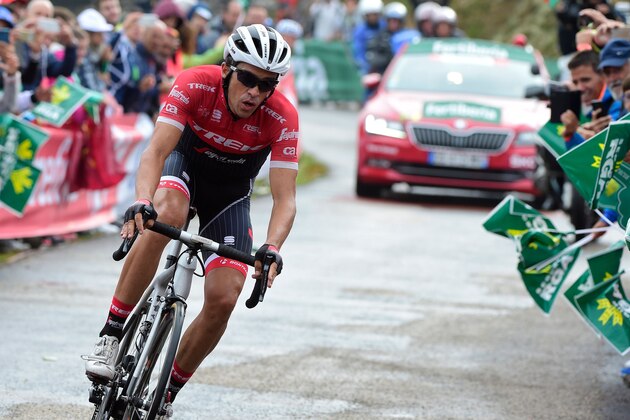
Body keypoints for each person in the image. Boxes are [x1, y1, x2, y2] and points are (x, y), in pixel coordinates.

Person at [84, 24, 298, 416]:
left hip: (229, 195)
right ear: (227, 69)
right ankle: (112, 333)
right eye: (248, 79)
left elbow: (285, 199)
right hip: (181, 170)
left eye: (267, 85)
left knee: (225, 297)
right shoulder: (194, 84)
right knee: (168, 213)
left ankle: (165, 392)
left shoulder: (282, 117)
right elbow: (154, 152)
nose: (255, 92)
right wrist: (142, 200)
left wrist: (271, 248)